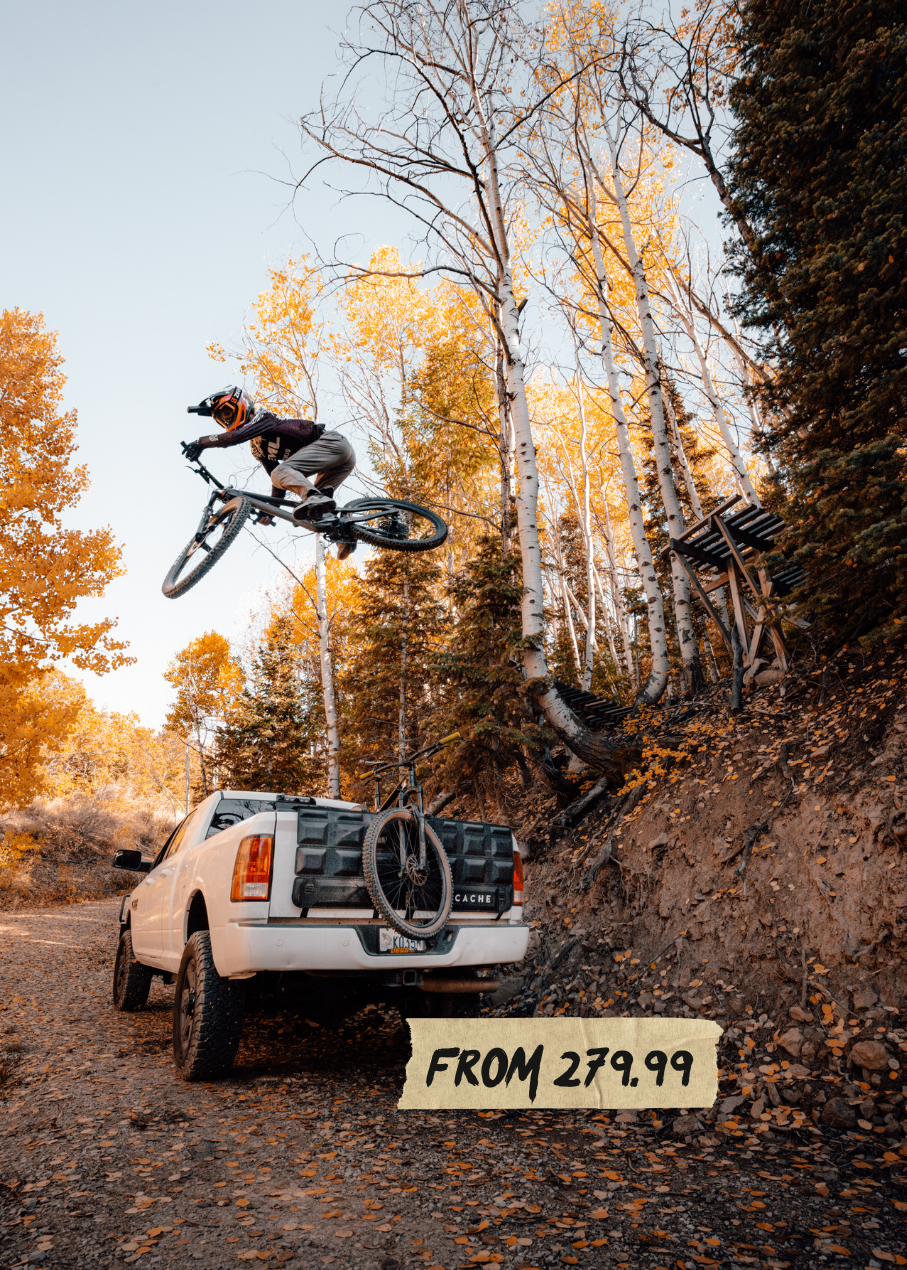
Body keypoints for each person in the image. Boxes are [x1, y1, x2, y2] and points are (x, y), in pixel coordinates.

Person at [185, 386, 357, 556]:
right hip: (338, 462)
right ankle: (347, 536)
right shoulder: (257, 449)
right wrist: (270, 511)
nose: (227, 421)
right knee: (317, 511)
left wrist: (201, 442)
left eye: (227, 414)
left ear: (241, 403)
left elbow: (233, 438)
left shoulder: (263, 417)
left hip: (333, 443)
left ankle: (315, 497)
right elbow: (279, 482)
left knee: (307, 493)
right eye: (223, 420)